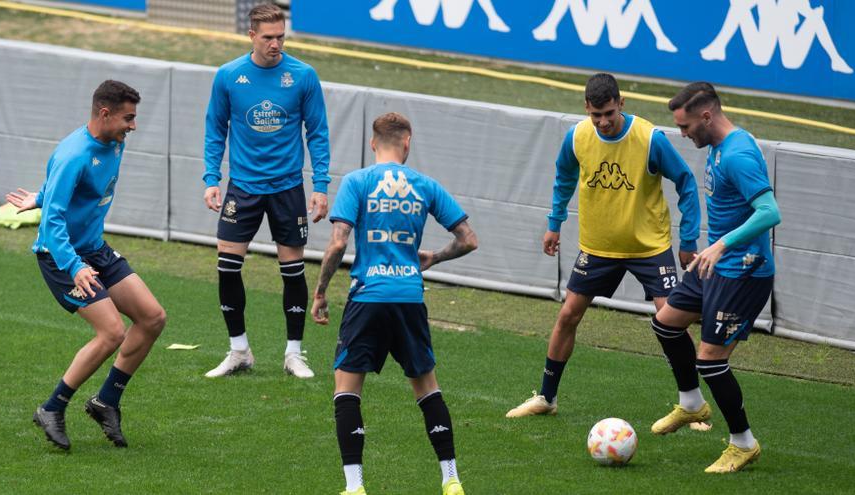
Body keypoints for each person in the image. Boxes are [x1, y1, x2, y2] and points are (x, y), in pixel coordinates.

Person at [506, 73, 700, 418]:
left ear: (621, 104)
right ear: (586, 109)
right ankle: (547, 398)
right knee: (567, 315)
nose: (604, 121)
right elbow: (564, 177)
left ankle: (692, 404)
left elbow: (685, 181)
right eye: (596, 115)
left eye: (609, 113)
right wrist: (554, 223)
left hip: (648, 247)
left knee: (671, 322)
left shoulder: (649, 138)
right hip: (598, 247)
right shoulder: (577, 136)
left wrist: (688, 239)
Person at [311, 113, 477, 495]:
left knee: (347, 390)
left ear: (373, 144)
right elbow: (469, 239)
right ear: (407, 142)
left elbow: (337, 243)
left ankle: (355, 487)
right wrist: (434, 256)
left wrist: (320, 291)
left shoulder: (357, 181)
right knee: (427, 389)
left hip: (368, 297)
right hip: (408, 297)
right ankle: (451, 479)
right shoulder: (426, 185)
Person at [6, 80, 166, 451]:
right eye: (129, 117)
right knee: (111, 332)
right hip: (61, 256)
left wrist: (41, 195)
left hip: (94, 250)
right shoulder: (73, 153)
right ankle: (51, 408)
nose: (133, 126)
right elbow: (53, 223)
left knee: (153, 317)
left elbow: (63, 192)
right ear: (105, 113)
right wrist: (74, 266)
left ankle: (106, 401)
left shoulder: (116, 142)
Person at [651, 82, 780, 473]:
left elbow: (769, 212)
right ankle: (691, 404)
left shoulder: (738, 155)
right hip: (713, 265)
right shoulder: (723, 144)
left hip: (743, 271)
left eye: (686, 126)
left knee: (710, 361)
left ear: (707, 116)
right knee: (666, 324)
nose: (683, 134)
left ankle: (743, 443)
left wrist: (722, 245)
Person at [202, 3, 330, 379]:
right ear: (252, 36)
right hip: (242, 187)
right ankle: (239, 350)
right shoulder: (228, 76)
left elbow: (318, 133)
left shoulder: (304, 76)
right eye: (269, 37)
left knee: (292, 271)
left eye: (281, 36)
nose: (276, 44)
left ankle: (294, 354)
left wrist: (320, 187)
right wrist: (212, 179)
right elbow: (215, 129)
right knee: (227, 268)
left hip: (288, 188)